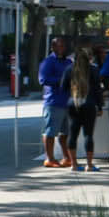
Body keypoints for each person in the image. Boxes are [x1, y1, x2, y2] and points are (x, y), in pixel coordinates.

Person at [38, 36, 73, 168]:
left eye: (63, 45)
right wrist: (63, 80)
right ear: (52, 47)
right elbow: (43, 80)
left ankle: (67, 158)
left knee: (66, 133)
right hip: (53, 102)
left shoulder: (69, 62)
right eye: (58, 45)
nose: (61, 48)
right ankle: (50, 158)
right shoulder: (48, 62)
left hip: (68, 102)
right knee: (50, 132)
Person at [63, 46, 99, 171]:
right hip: (89, 104)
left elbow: (62, 87)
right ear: (88, 58)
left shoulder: (69, 69)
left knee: (72, 134)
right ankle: (89, 165)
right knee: (88, 135)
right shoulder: (93, 70)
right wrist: (100, 105)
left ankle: (73, 164)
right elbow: (97, 90)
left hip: (73, 103)